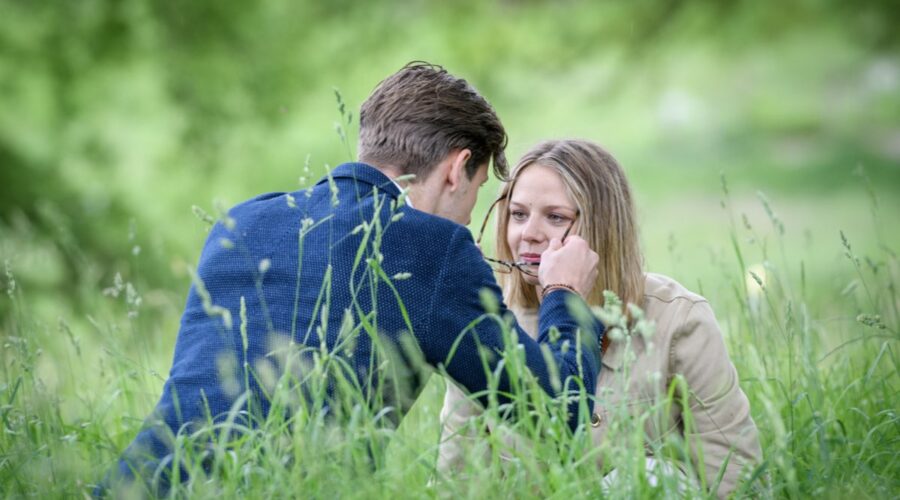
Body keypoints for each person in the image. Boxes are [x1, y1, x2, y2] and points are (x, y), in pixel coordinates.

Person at [100, 63, 605, 493]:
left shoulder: (242, 220)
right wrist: (564, 293)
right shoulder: (435, 248)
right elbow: (557, 416)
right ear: (457, 169)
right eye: (475, 194)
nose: (470, 217)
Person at [438, 139, 763, 498]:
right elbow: (456, 478)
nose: (528, 233)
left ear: (602, 227)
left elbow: (736, 474)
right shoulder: (488, 322)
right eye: (518, 214)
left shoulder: (678, 319)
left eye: (556, 217)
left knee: (650, 476)